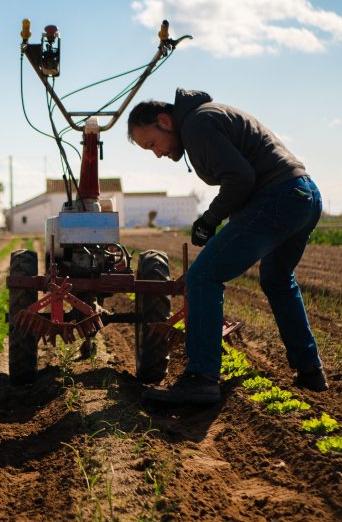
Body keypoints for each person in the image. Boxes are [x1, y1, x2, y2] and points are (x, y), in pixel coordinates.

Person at [127, 88, 327, 406]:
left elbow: (240, 178)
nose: (157, 154)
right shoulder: (209, 116)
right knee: (277, 280)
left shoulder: (196, 124)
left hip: (278, 197)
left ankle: (201, 379)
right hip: (304, 195)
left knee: (202, 277)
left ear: (164, 120)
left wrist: (210, 220)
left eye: (153, 143)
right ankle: (310, 371)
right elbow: (246, 179)